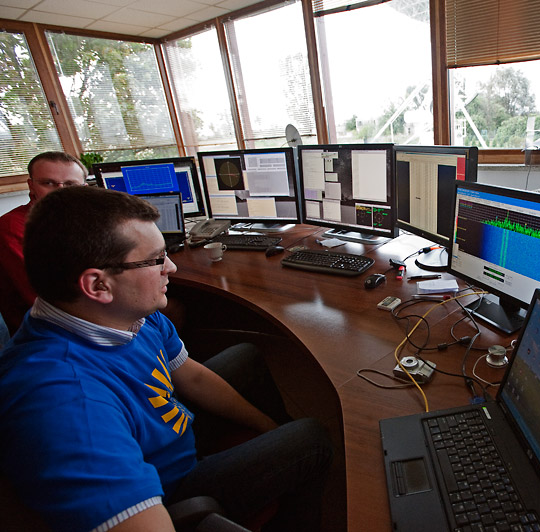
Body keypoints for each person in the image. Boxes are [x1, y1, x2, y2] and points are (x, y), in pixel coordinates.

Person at [0, 186, 332, 531]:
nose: (171, 267)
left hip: (166, 430)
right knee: (310, 439)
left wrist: (270, 431)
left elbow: (193, 377)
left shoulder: (125, 313)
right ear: (98, 285)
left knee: (245, 357)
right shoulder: (64, 403)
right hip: (170, 487)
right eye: (157, 259)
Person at [0, 151, 88, 335]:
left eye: (70, 184)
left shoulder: (84, 220)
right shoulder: (11, 227)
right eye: (48, 183)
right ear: (31, 185)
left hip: (95, 311)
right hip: (51, 330)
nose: (60, 191)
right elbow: (42, 295)